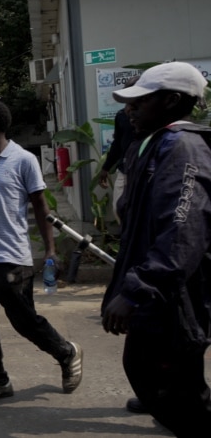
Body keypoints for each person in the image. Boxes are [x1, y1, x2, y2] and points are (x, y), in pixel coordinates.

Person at [101, 61, 211, 436]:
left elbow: (182, 232)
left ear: (171, 101)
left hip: (170, 292)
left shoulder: (183, 148)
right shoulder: (152, 141)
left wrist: (137, 289)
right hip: (156, 288)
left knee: (169, 376)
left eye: (138, 103)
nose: (128, 111)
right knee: (155, 369)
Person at [0, 100, 83, 403]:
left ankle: (67, 352)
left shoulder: (23, 160)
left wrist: (50, 250)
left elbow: (41, 207)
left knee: (25, 322)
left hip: (11, 259)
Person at [98, 76, 146, 224]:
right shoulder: (121, 116)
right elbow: (117, 143)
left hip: (144, 170)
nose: (129, 107)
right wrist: (105, 168)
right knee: (119, 209)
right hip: (125, 169)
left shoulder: (152, 119)